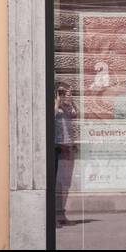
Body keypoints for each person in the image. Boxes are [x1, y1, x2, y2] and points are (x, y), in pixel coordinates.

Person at [53, 83, 77, 228]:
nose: (67, 95)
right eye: (63, 93)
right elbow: (52, 115)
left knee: (65, 184)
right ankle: (53, 216)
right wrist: (56, 100)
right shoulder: (56, 108)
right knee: (56, 184)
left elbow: (76, 114)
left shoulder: (69, 108)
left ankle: (62, 215)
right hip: (57, 147)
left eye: (69, 93)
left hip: (68, 147)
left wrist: (70, 101)